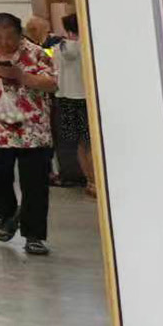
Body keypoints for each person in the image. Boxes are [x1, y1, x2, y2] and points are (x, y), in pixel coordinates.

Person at [0, 11, 59, 256]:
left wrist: (23, 76)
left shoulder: (36, 53)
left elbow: (52, 83)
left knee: (35, 184)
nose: (4, 43)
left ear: (20, 34)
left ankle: (34, 236)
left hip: (33, 131)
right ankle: (7, 213)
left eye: (10, 37)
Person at [54, 12, 94, 196]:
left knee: (79, 143)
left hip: (65, 98)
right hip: (86, 98)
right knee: (92, 143)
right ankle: (98, 182)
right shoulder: (88, 46)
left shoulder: (58, 48)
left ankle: (90, 182)